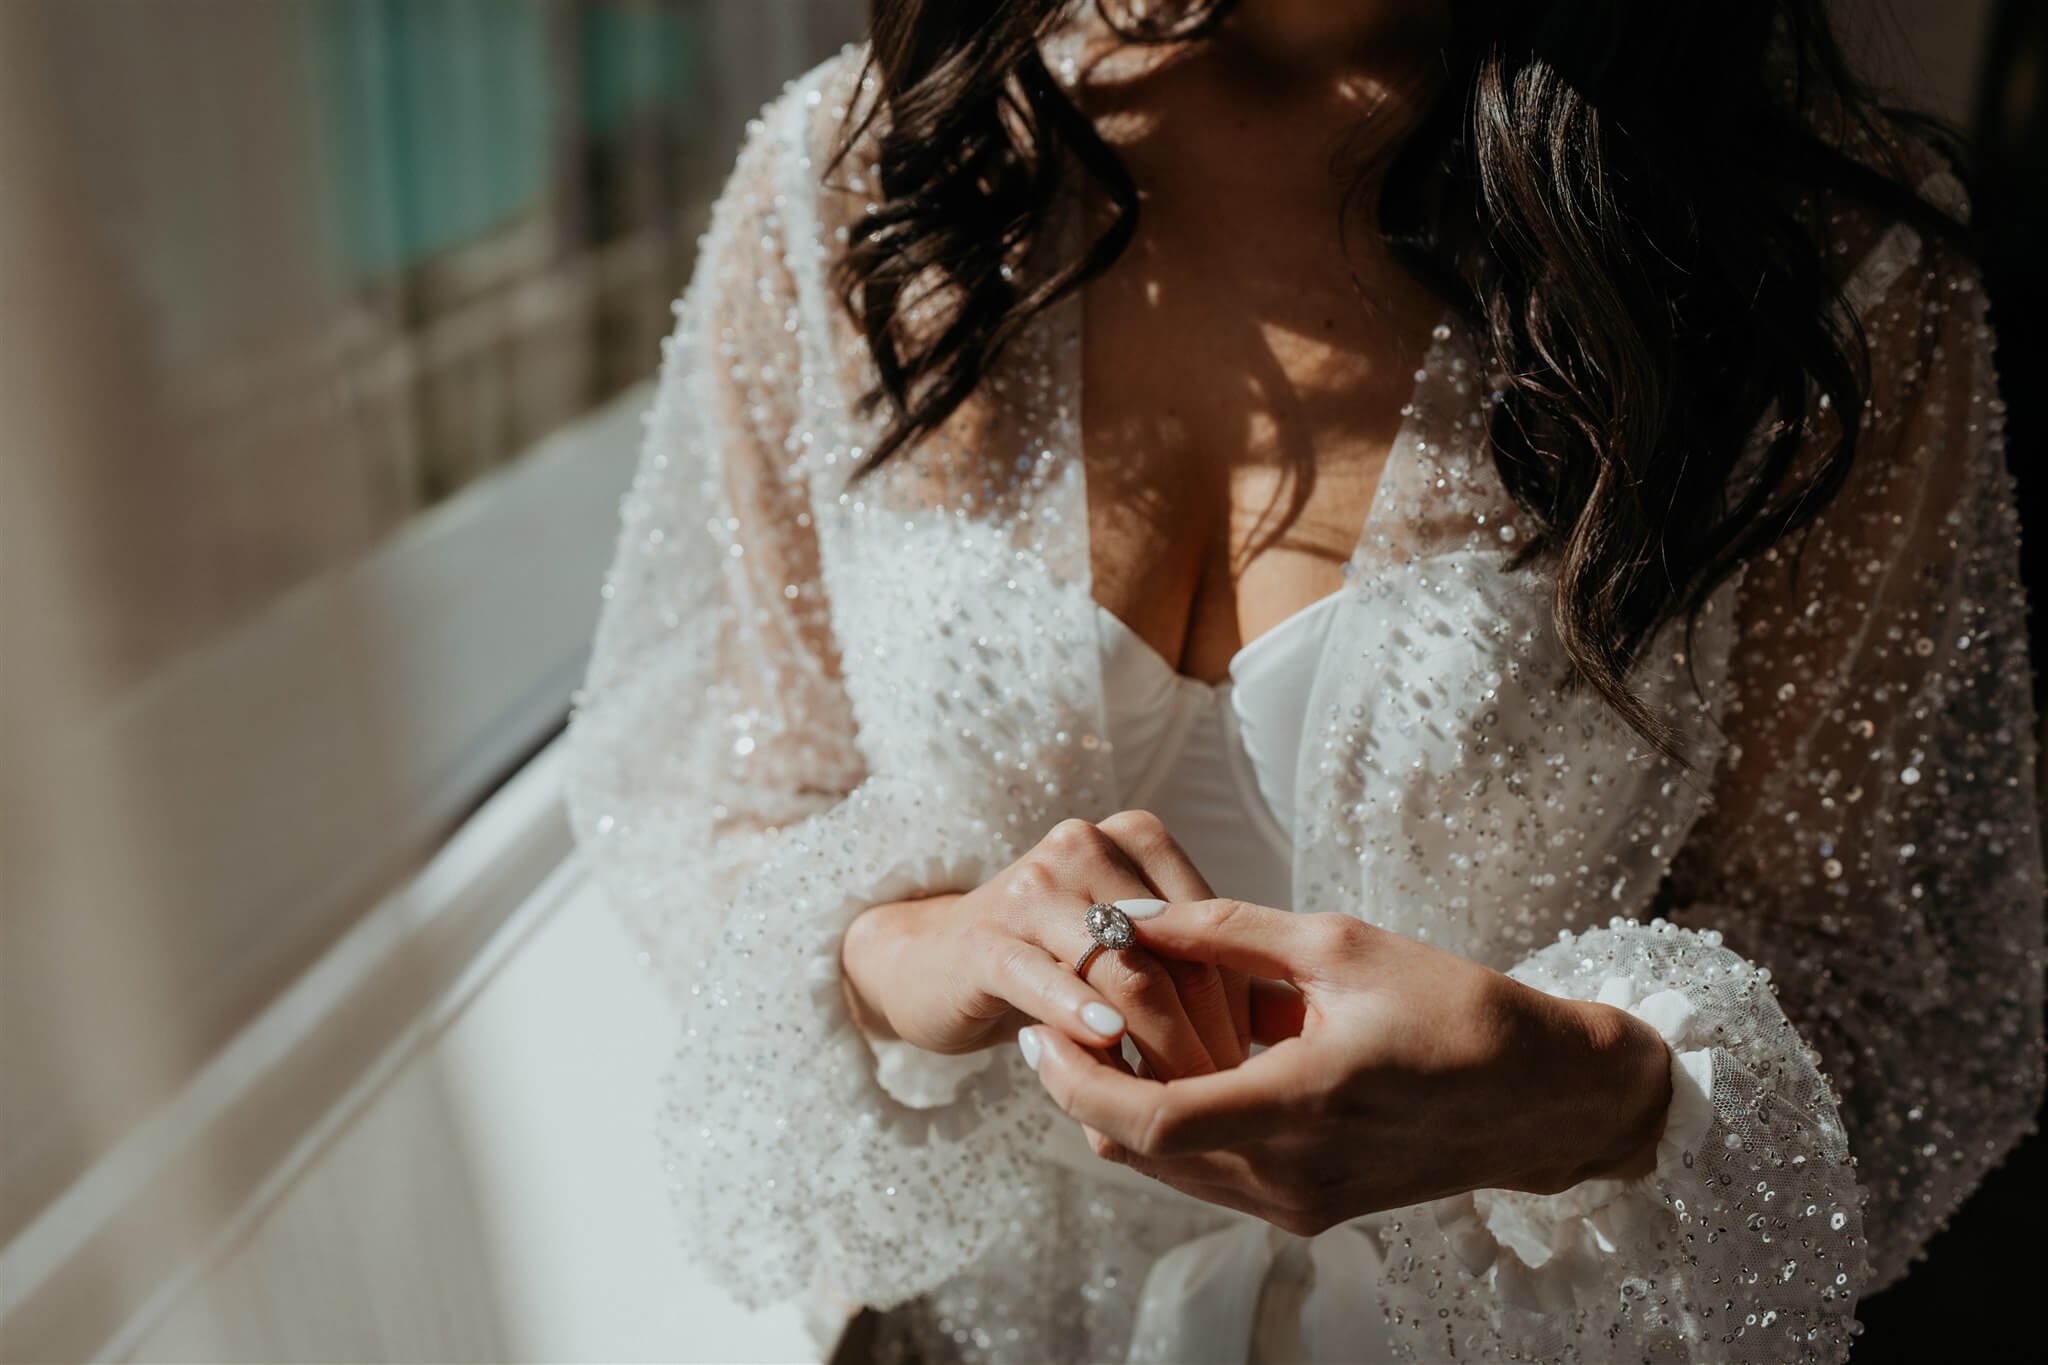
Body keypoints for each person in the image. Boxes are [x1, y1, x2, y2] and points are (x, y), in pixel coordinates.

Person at [562, 2, 2046, 1361]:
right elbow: (716, 791)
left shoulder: (1823, 263)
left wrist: (1575, 1086)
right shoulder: (863, 178)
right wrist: (912, 952)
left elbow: (1902, 983)